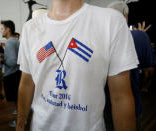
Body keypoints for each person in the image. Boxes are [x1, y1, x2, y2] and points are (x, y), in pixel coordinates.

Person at [16, 0, 139, 131]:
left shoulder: (111, 21)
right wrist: (20, 124)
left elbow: (121, 98)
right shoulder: (30, 28)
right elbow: (27, 83)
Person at [107, 1, 155, 130]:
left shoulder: (96, 38)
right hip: (130, 107)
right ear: (125, 16)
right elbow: (148, 70)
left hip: (101, 108)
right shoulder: (140, 36)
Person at [0, 20, 20, 127]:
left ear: (8, 30)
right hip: (16, 73)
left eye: (2, 29)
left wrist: (3, 60)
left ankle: (19, 121)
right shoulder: (15, 41)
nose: (1, 31)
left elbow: (12, 61)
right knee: (18, 99)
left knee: (15, 100)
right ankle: (21, 118)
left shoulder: (9, 42)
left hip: (11, 74)